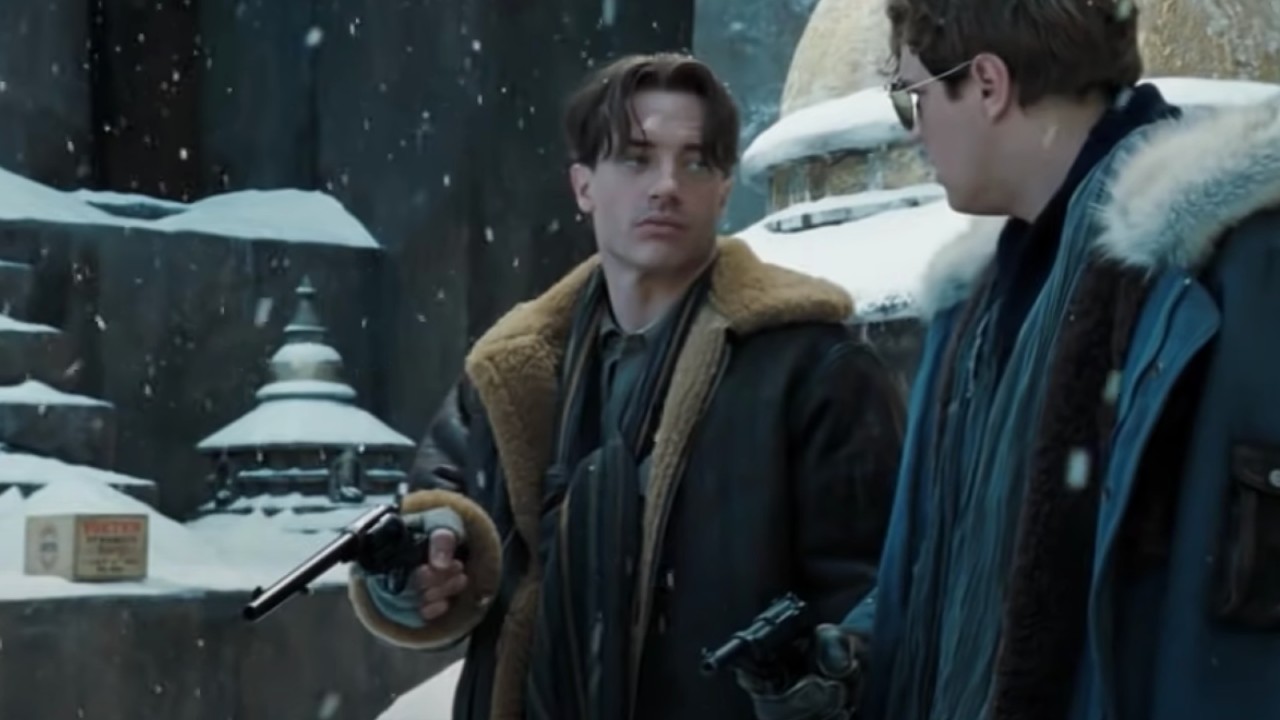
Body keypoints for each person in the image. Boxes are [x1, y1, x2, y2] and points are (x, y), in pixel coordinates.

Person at [345, 52, 905, 720]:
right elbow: (442, 533)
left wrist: (823, 676)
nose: (666, 185)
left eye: (694, 163)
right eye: (637, 159)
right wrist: (415, 574)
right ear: (583, 185)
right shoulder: (509, 376)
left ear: (724, 190)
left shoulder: (812, 367)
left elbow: (879, 597)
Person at [800, 0, 1280, 718]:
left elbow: (1224, 630)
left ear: (988, 84)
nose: (913, 129)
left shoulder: (1231, 275)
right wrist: (856, 657)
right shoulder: (977, 303)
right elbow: (965, 565)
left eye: (912, 96)